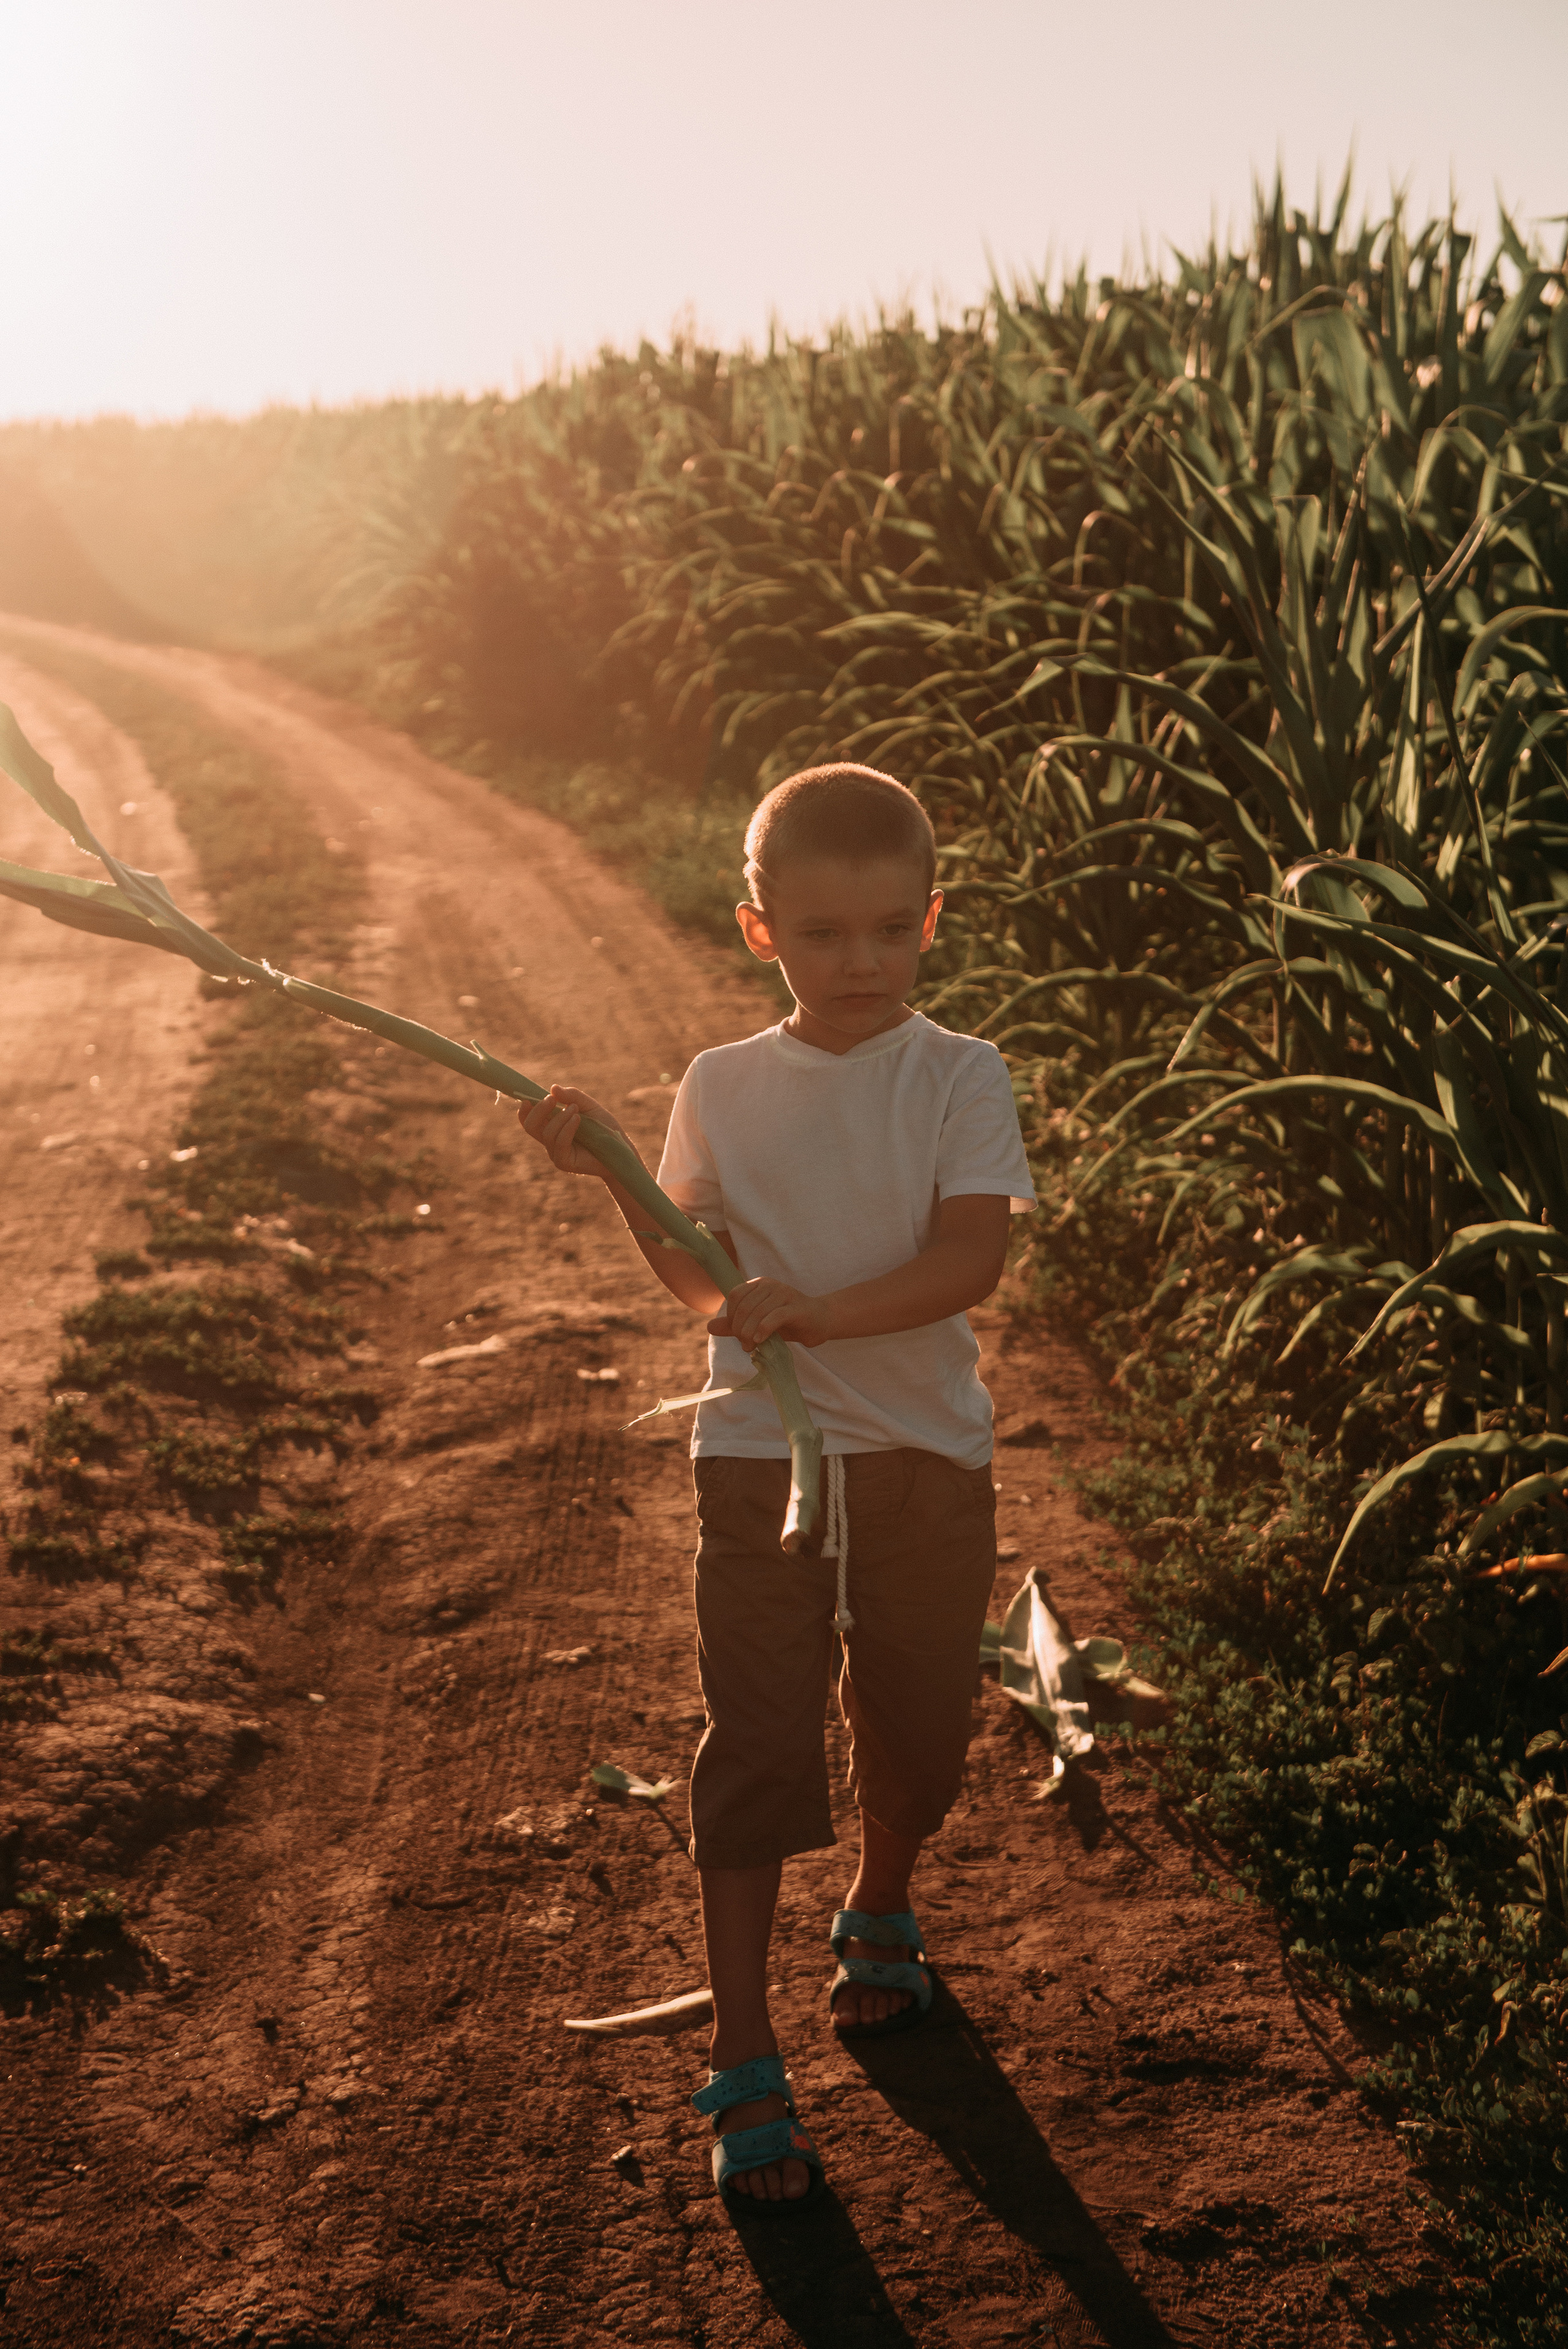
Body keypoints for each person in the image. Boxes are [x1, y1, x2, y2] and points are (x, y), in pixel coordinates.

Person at [518, 762, 1035, 2216]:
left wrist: (816, 1311)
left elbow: (968, 1262)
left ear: (930, 920)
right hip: (760, 1459)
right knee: (755, 1735)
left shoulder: (958, 1074)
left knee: (919, 1728)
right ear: (759, 932)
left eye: (887, 930)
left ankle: (881, 1891)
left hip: (923, 1457)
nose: (858, 962)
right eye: (820, 935)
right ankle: (744, 2051)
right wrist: (619, 1180)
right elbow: (696, 1263)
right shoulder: (719, 1088)